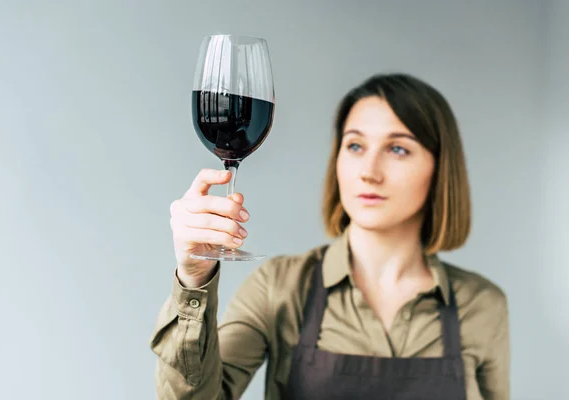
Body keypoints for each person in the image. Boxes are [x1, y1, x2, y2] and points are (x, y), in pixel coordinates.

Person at [149, 73, 510, 400]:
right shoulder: (280, 287)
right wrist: (194, 278)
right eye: (355, 146)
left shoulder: (481, 306)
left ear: (439, 167)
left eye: (397, 148)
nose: (369, 171)